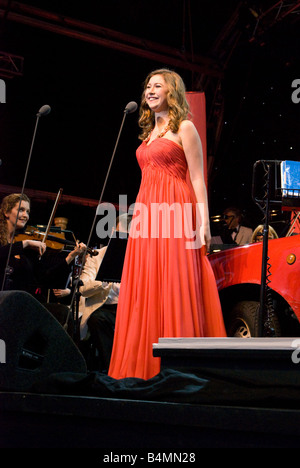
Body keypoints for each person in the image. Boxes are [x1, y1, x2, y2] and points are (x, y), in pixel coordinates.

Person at [108, 68, 227, 381]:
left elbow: (199, 179)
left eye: (157, 85)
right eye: (147, 86)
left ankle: (180, 368)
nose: (149, 90)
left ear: (171, 92)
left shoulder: (185, 128)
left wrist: (203, 221)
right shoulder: (147, 135)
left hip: (176, 209)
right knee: (147, 283)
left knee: (175, 278)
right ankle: (140, 367)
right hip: (147, 214)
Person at [0, 193, 86, 316]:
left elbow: (44, 278)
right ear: (6, 212)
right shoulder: (21, 244)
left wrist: (71, 256)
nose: (25, 215)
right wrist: (25, 243)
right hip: (5, 303)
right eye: (21, 210)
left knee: (63, 313)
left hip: (23, 304)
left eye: (28, 211)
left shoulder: (26, 250)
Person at [78, 214, 131, 372]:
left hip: (131, 308)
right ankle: (111, 369)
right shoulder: (97, 256)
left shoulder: (141, 257)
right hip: (106, 308)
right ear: (114, 231)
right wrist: (104, 279)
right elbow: (83, 289)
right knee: (97, 319)